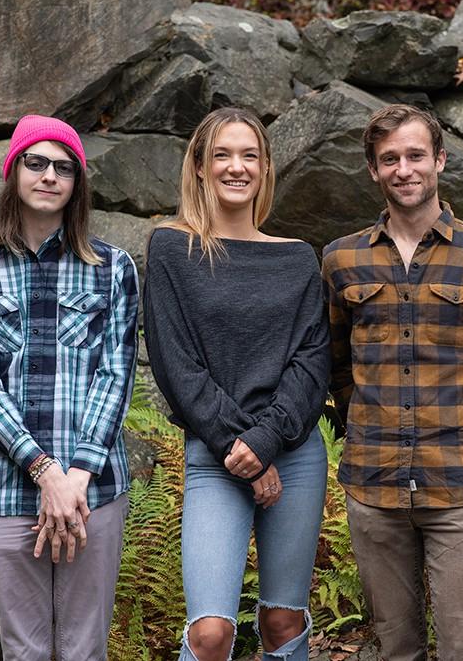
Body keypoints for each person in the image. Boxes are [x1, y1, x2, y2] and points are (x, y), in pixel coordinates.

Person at [322, 104, 463, 661]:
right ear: (372, 170)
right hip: (374, 486)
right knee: (395, 648)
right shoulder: (340, 259)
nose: (404, 169)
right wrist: (362, 424)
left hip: (461, 486)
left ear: (439, 160)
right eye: (389, 159)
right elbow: (335, 362)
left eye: (416, 155)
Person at [0, 115, 138, 660]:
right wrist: (44, 471)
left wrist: (74, 476)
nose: (50, 175)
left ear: (77, 185)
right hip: (2, 489)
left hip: (92, 489)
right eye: (37, 162)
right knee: (23, 647)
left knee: (84, 647)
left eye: (64, 168)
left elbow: (116, 374)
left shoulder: (113, 270)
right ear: (14, 172)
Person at [143, 107, 330, 661]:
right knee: (210, 635)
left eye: (249, 155)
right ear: (199, 166)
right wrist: (240, 448)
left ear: (266, 168)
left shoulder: (298, 259)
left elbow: (311, 362)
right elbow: (177, 367)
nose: (236, 167)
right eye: (222, 154)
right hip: (215, 453)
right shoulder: (172, 250)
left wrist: (266, 442)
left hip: (294, 454)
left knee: (282, 620)